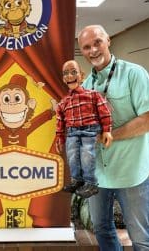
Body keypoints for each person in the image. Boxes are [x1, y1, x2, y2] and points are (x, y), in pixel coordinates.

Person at [78, 24, 149, 251]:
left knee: (140, 238)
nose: (93, 50)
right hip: (98, 174)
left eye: (97, 42)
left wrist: (113, 135)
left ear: (108, 40)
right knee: (102, 229)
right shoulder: (86, 86)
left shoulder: (134, 74)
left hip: (131, 172)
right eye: (87, 47)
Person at [56, 60, 113, 198]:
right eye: (66, 73)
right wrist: (59, 137)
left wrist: (106, 130)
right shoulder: (63, 102)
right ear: (64, 79)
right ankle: (77, 180)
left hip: (89, 131)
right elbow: (60, 121)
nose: (70, 76)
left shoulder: (93, 95)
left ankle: (90, 183)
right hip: (71, 133)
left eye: (73, 72)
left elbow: (104, 112)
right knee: (72, 157)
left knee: (87, 156)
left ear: (81, 76)